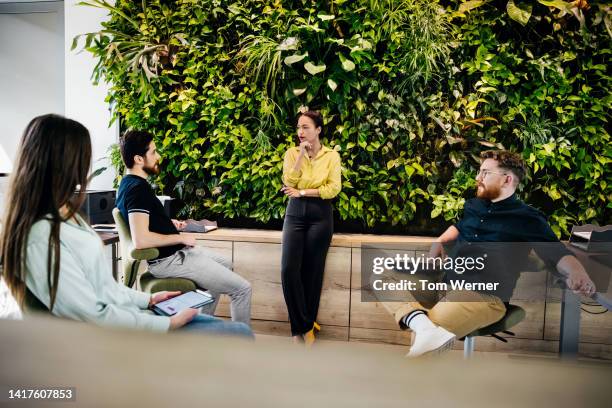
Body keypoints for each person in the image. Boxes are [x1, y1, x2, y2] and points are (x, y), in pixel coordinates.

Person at [0, 114, 251, 337]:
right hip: (126, 325)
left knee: (231, 322)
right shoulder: (40, 237)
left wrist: (149, 299)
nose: (86, 169)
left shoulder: (69, 217)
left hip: (135, 312)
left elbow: (104, 288)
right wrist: (166, 326)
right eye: (81, 158)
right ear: (62, 165)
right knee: (239, 328)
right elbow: (92, 314)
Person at [383, 150, 595, 357]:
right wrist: (438, 244)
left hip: (484, 295)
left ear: (507, 180)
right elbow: (460, 227)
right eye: (480, 172)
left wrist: (579, 273)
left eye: (485, 173)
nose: (477, 178)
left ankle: (420, 368)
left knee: (432, 331)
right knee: (383, 279)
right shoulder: (474, 205)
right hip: (445, 283)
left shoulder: (528, 219)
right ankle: (422, 326)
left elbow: (557, 253)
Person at [116, 130, 252, 325]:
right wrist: (180, 238)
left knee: (225, 264)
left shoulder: (129, 184)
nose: (158, 157)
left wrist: (168, 223)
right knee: (242, 289)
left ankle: (201, 327)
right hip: (170, 260)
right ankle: (243, 347)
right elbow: (141, 240)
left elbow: (142, 222)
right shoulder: (137, 190)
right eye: (153, 152)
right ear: (138, 158)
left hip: (175, 255)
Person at [280, 110, 342, 346]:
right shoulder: (291, 153)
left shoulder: (331, 156)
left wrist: (304, 192)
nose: (300, 132)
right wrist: (300, 157)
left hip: (320, 215)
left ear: (318, 130)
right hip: (295, 214)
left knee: (312, 273)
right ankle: (303, 325)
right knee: (288, 270)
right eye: (298, 127)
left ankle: (305, 329)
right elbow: (288, 182)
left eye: (306, 127)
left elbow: (333, 188)